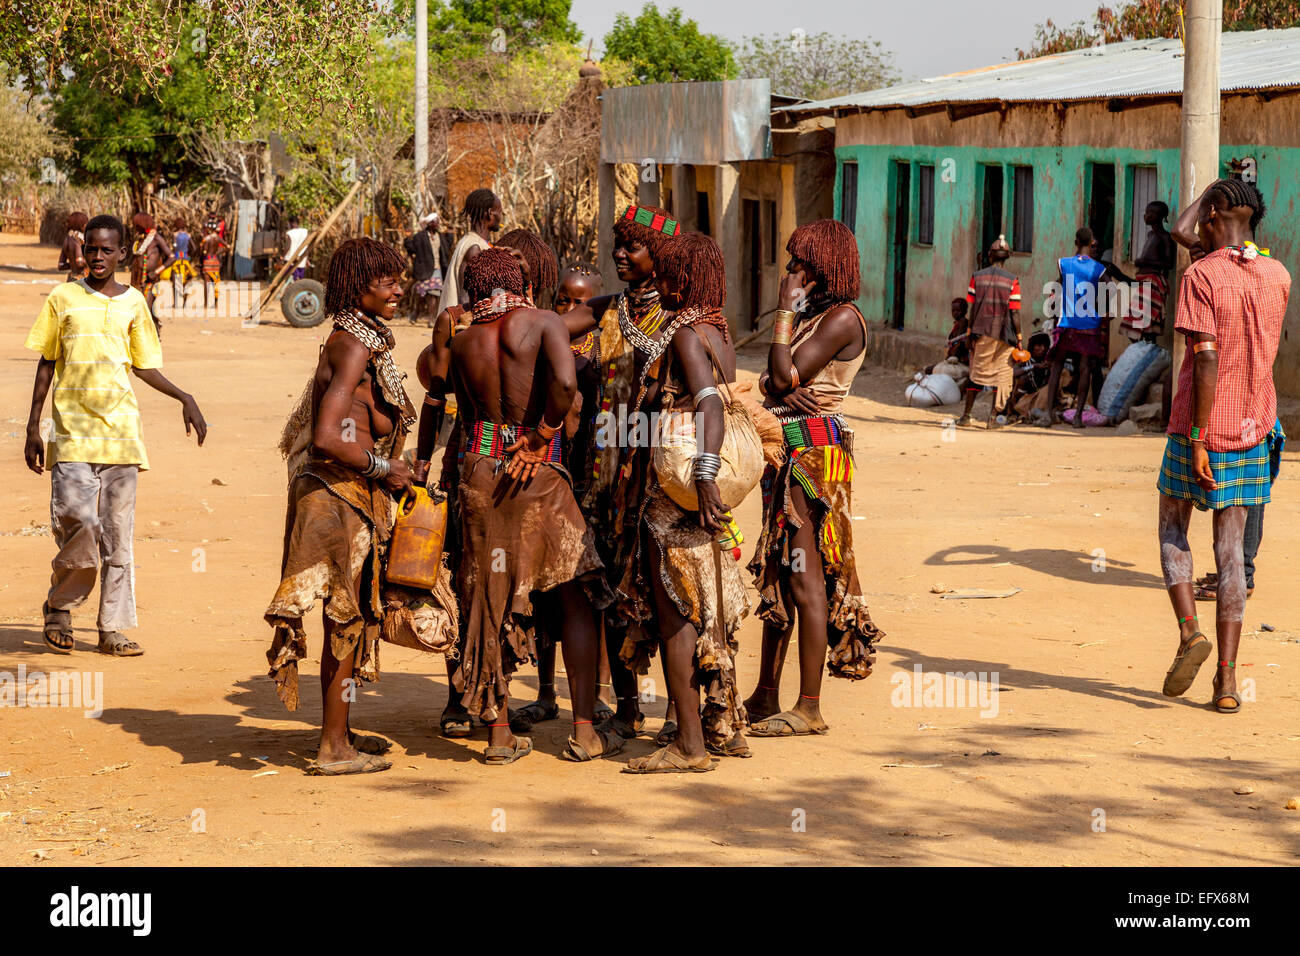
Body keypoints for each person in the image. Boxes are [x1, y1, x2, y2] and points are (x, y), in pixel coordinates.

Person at [447, 248, 620, 764]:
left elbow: (464, 414)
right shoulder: (544, 322)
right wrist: (542, 436)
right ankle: (585, 731)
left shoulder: (462, 342)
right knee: (574, 595)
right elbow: (565, 386)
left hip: (480, 469)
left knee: (488, 596)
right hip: (536, 470)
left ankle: (499, 734)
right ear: (519, 281)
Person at [264, 238, 426, 775]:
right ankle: (333, 747)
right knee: (344, 618)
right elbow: (330, 438)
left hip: (348, 494)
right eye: (387, 282)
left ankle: (344, 732)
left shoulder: (361, 341)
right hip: (334, 497)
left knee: (351, 615)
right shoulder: (353, 346)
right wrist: (386, 469)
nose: (399, 289)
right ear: (359, 288)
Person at [24, 214, 207, 657]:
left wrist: (184, 396)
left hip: (122, 436)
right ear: (82, 250)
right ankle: (60, 605)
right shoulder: (62, 297)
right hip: (70, 434)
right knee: (80, 524)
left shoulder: (134, 303)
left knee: (118, 536)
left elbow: (143, 364)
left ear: (123, 253)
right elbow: (47, 361)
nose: (99, 257)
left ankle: (113, 628)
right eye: (92, 249)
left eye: (108, 250)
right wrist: (33, 425)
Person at [610, 230, 751, 774]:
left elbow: (710, 405)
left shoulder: (687, 335)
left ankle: (689, 744)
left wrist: (706, 476)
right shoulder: (717, 331)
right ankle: (720, 727)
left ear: (681, 278)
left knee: (675, 616)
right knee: (703, 603)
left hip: (677, 491)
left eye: (666, 272)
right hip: (693, 489)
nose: (657, 280)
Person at [743, 219, 883, 737]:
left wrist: (782, 311)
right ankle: (763, 695)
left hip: (816, 458)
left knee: (808, 574)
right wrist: (777, 383)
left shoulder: (843, 318)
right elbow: (773, 382)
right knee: (780, 568)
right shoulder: (817, 317)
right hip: (791, 452)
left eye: (799, 263)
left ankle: (809, 707)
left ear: (822, 266)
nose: (791, 271)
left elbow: (779, 377)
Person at [1154, 179, 1289, 715]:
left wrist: (1198, 437)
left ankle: (1189, 635)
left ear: (1211, 213)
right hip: (1255, 425)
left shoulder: (1202, 275)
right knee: (1231, 555)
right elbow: (1189, 230)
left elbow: (1205, 358)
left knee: (1171, 527)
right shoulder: (1277, 273)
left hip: (1200, 427)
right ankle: (1227, 683)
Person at [558, 205, 683, 746]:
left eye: (633, 247)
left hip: (658, 478)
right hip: (603, 476)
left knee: (671, 594)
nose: (621, 255)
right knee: (609, 586)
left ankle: (681, 712)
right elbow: (548, 328)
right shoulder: (608, 310)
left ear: (663, 257)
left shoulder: (685, 317)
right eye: (619, 245)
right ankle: (629, 708)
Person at [509, 261, 619, 733]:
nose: (570, 310)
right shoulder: (544, 344)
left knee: (589, 593)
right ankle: (547, 692)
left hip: (591, 481)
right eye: (562, 302)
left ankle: (597, 697)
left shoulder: (599, 350)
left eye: (580, 303)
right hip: (552, 478)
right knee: (548, 594)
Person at [1043, 227, 1131, 427]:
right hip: (1089, 322)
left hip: (1068, 322)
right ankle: (1077, 418)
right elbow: (1112, 290)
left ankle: (1048, 414)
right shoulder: (1097, 268)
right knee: (1085, 368)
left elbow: (1062, 285)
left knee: (1057, 366)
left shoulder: (1063, 263)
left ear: (1075, 241)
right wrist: (1097, 308)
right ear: (1092, 244)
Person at [958, 236, 1022, 428]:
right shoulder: (1013, 281)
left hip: (981, 331)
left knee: (976, 374)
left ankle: (966, 416)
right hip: (1004, 335)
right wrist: (1019, 338)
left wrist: (970, 333)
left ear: (988, 255)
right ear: (1009, 256)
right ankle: (992, 418)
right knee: (1000, 375)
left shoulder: (977, 277)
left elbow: (971, 307)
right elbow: (1015, 312)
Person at [437, 188, 501, 316]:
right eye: (499, 212)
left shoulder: (471, 242)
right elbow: (466, 297)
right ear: (489, 213)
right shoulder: (475, 248)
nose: (500, 217)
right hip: (462, 328)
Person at [1121, 201, 1175, 343]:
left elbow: (1169, 263)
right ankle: (1142, 353)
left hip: (1153, 283)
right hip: (1144, 282)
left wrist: (1144, 262)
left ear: (1159, 216)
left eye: (1150, 213)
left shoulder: (1165, 237)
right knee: (1137, 323)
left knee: (1146, 324)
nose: (1146, 215)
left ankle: (1146, 355)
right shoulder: (1151, 235)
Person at [130, 212, 176, 332]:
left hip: (150, 281)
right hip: (138, 281)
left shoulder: (155, 238)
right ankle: (153, 332)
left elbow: (172, 257)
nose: (134, 227)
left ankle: (151, 335)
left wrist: (156, 272)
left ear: (142, 225)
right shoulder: (140, 240)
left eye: (136, 225)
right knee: (142, 310)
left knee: (145, 309)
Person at [403, 212, 451, 325]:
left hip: (437, 270)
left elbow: (447, 247)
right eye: (435, 222)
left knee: (434, 293)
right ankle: (415, 314)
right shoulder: (420, 237)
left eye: (438, 221)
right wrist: (407, 238)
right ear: (429, 224)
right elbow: (412, 248)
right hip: (424, 270)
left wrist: (449, 233)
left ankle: (431, 319)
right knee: (422, 294)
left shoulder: (440, 236)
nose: (437, 224)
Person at [1007, 331, 1054, 424]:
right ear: (1032, 346)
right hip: (1024, 399)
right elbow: (1012, 373)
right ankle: (1014, 411)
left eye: (1045, 346)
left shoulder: (1049, 361)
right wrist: (1034, 366)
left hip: (1042, 399)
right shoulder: (1024, 360)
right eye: (1039, 345)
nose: (1042, 349)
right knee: (1023, 378)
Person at [200, 228, 227, 311]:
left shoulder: (206, 239)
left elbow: (202, 252)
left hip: (207, 261)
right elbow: (228, 246)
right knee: (216, 283)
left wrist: (201, 260)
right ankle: (215, 304)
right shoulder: (218, 238)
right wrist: (218, 252)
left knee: (206, 283)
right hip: (215, 262)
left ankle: (205, 304)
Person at [58, 212, 88, 281]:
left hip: (71, 279)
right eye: (86, 224)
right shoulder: (77, 241)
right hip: (82, 279)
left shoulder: (67, 240)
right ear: (80, 225)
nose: (87, 226)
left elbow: (61, 265)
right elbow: (80, 263)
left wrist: (72, 265)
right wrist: (93, 261)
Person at [283, 216, 310, 281]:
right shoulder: (305, 231)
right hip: (302, 259)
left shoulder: (290, 233)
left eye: (288, 223)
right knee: (299, 280)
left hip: (290, 259)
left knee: (288, 279)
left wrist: (282, 256)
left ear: (291, 223)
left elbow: (288, 246)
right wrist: (307, 259)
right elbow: (307, 247)